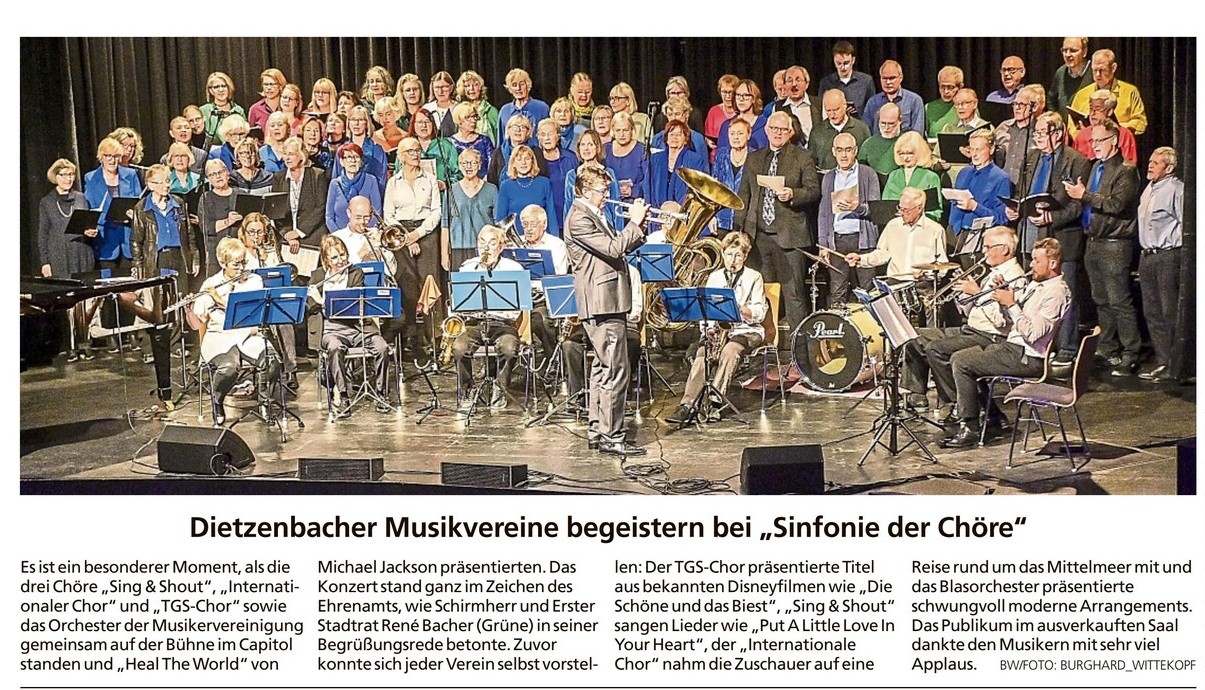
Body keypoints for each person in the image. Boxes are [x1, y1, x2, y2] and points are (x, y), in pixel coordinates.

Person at [939, 237, 1070, 448]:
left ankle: (970, 427)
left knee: (962, 362)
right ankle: (992, 416)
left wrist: (1011, 305)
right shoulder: (1038, 285)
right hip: (1014, 347)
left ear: (1053, 263)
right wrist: (1003, 298)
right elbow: (1013, 320)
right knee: (965, 356)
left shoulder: (1056, 293)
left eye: (1037, 261)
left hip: (1028, 357)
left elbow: (1033, 334)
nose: (1031, 265)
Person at [563, 166, 649, 456]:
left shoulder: (594, 214)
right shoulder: (579, 218)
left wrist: (637, 228)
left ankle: (598, 431)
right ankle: (612, 436)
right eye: (602, 191)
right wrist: (634, 223)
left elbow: (616, 250)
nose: (606, 196)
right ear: (585, 191)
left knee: (602, 368)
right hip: (602, 302)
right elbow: (613, 249)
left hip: (608, 299)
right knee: (615, 370)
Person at [906, 226, 1027, 414]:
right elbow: (971, 311)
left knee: (936, 349)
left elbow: (1001, 322)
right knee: (913, 336)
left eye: (988, 247)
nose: (984, 252)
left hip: (991, 336)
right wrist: (964, 294)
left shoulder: (1014, 276)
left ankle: (960, 403)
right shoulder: (993, 272)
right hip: (972, 329)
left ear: (1004, 249)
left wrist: (977, 293)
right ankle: (917, 394)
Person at [1006, 112, 1090, 362]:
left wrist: (1052, 217)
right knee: (1034, 293)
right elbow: (1022, 193)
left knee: (1064, 294)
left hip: (1061, 237)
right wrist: (1015, 208)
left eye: (1043, 132)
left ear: (1058, 133)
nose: (1038, 137)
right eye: (1037, 132)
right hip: (1031, 232)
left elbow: (1078, 205)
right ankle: (1038, 344)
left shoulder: (1076, 160)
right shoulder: (1032, 157)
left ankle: (1067, 349)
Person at [1064, 119, 1142, 376]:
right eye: (1092, 140)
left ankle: (1130, 353)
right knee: (1100, 299)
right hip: (1093, 241)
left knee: (1119, 300)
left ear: (1115, 141)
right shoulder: (1095, 167)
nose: (1095, 145)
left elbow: (1117, 204)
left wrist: (1084, 195)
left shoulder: (1125, 170)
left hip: (1115, 244)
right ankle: (1108, 348)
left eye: (1100, 140)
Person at [666, 231, 767, 425]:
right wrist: (709, 330)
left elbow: (760, 311)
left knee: (730, 351)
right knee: (702, 354)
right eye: (729, 254)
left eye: (738, 255)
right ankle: (687, 405)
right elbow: (705, 309)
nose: (733, 260)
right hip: (719, 330)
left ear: (745, 256)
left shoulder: (754, 277)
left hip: (746, 330)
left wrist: (742, 310)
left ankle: (715, 401)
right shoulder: (715, 277)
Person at [733, 111, 820, 334]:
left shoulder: (803, 157)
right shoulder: (754, 158)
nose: (778, 133)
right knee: (761, 294)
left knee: (794, 295)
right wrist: (738, 231)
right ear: (766, 130)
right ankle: (763, 342)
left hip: (790, 237)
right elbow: (744, 196)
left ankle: (798, 345)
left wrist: (793, 194)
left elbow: (813, 190)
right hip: (758, 237)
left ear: (791, 132)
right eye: (774, 129)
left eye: (783, 129)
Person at [194, 237, 278, 426]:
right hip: (220, 338)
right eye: (236, 264)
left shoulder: (254, 281)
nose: (241, 268)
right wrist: (190, 310)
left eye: (243, 263)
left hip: (249, 336)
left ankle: (265, 403)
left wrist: (220, 300)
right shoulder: (211, 284)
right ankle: (217, 401)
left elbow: (249, 313)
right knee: (229, 369)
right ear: (222, 263)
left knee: (272, 362)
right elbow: (197, 320)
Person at [308, 235, 391, 416]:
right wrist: (313, 298)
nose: (340, 260)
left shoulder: (355, 273)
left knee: (382, 347)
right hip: (331, 330)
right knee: (335, 348)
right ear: (326, 260)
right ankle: (344, 395)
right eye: (334, 258)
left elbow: (350, 306)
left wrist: (321, 300)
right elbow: (311, 307)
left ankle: (381, 392)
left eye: (342, 255)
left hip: (357, 327)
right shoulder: (317, 277)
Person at [449, 225, 525, 410]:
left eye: (492, 243)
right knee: (459, 348)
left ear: (501, 246)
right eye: (482, 242)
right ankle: (467, 390)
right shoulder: (468, 267)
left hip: (503, 323)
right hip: (475, 323)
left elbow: (519, 307)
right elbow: (458, 302)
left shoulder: (513, 268)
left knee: (509, 349)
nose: (486, 248)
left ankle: (500, 388)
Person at [846, 186, 947, 325]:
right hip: (894, 282)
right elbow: (882, 253)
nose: (902, 213)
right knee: (871, 300)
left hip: (920, 284)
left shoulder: (935, 230)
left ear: (920, 208)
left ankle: (930, 336)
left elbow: (942, 266)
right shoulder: (893, 225)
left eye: (906, 210)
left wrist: (926, 273)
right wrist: (861, 259)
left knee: (933, 304)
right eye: (900, 208)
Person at [384, 137, 442, 352]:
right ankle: (409, 335)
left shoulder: (430, 179)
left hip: (425, 232)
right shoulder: (393, 182)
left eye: (417, 150)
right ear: (401, 156)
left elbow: (436, 211)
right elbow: (388, 214)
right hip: (401, 233)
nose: (416, 154)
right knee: (406, 283)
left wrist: (418, 234)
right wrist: (406, 237)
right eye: (410, 151)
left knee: (430, 282)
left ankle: (433, 336)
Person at [38, 159, 97, 361]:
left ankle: (84, 342)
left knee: (84, 300)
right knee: (66, 301)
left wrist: (91, 231)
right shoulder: (47, 202)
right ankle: (70, 345)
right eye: (63, 175)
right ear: (55, 177)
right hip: (59, 256)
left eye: (71, 174)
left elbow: (87, 224)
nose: (68, 179)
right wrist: (45, 262)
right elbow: (42, 234)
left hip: (81, 252)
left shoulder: (81, 198)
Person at [1135, 146, 1183, 383]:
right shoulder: (1149, 188)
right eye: (1150, 161)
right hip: (1147, 256)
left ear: (1169, 167)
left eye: (1156, 163)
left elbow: (1187, 224)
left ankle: (1178, 365)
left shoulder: (1176, 190)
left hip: (1167, 256)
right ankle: (1164, 362)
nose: (1150, 165)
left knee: (1169, 311)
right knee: (1152, 312)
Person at [818, 133, 881, 305]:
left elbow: (876, 209)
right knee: (837, 291)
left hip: (863, 240)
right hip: (837, 241)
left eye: (848, 150)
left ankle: (870, 322)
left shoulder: (868, 174)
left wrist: (857, 207)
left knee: (868, 291)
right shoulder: (829, 177)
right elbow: (823, 214)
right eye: (839, 150)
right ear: (833, 152)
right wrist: (824, 244)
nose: (844, 155)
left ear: (855, 151)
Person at [239, 212, 298, 392]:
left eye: (260, 232)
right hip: (249, 304)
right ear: (244, 232)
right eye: (251, 232)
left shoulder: (271, 253)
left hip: (270, 301)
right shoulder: (239, 253)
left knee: (284, 320)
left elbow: (280, 277)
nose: (256, 236)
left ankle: (291, 369)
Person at [131, 164, 200, 290]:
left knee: (181, 294)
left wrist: (194, 259)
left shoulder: (178, 203)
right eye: (161, 182)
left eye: (168, 181)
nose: (166, 185)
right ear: (150, 185)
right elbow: (136, 240)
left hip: (180, 256)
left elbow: (189, 234)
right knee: (160, 296)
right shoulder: (141, 208)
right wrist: (138, 266)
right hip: (158, 259)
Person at [515, 203, 569, 363]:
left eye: (532, 224)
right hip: (519, 300)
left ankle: (553, 363)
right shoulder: (516, 244)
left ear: (544, 224)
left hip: (544, 300)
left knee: (544, 322)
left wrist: (531, 285)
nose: (528, 229)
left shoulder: (556, 245)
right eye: (525, 225)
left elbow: (558, 277)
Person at [948, 129, 1011, 261]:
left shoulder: (1001, 178)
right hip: (954, 233)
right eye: (972, 149)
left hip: (978, 238)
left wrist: (975, 207)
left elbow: (1002, 219)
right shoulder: (963, 173)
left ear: (991, 149)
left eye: (979, 149)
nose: (974, 154)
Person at [83, 137, 142, 276]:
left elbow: (139, 204)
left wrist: (133, 214)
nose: (112, 160)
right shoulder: (91, 178)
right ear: (101, 157)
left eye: (115, 156)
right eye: (108, 156)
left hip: (128, 240)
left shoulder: (131, 175)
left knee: (130, 284)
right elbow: (89, 208)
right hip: (105, 242)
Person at [1068, 49, 1147, 136]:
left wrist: (1115, 128)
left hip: (1120, 141)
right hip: (1088, 142)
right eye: (1094, 70)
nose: (1098, 74)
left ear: (1113, 68)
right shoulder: (1082, 94)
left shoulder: (1129, 92)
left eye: (1102, 70)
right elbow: (1071, 127)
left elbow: (1141, 123)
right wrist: (1085, 135)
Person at [270, 137, 330, 252]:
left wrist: (299, 232)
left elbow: (320, 208)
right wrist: (287, 234)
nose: (287, 158)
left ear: (301, 155)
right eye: (285, 154)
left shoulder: (318, 175)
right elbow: (276, 211)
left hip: (312, 236)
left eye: (291, 154)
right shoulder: (279, 177)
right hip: (287, 238)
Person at [444, 148, 498, 272]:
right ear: (459, 165)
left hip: (485, 249)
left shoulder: (492, 189)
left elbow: (497, 224)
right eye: (464, 163)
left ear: (479, 165)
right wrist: (444, 254)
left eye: (473, 163)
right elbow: (445, 225)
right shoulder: (451, 190)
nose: (468, 166)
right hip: (457, 248)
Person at [495, 145, 558, 238]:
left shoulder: (544, 183)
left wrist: (555, 239)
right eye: (519, 159)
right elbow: (501, 219)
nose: (523, 163)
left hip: (541, 238)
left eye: (527, 159)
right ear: (513, 163)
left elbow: (551, 215)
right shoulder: (506, 186)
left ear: (532, 162)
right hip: (515, 239)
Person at [881, 131, 943, 223]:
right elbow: (884, 207)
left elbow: (936, 212)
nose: (906, 158)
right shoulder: (894, 175)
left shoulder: (930, 177)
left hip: (921, 226)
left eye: (910, 153)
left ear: (920, 153)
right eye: (902, 154)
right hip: (896, 225)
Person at [562, 132, 620, 229]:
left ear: (597, 147)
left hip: (605, 226)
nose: (586, 148)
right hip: (580, 226)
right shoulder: (571, 175)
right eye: (583, 144)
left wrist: (619, 231)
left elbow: (616, 204)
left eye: (590, 144)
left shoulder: (608, 173)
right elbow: (568, 205)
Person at [992, 84, 1046, 187]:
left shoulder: (1040, 131)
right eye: (1015, 104)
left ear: (1034, 107)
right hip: (1001, 186)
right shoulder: (1003, 127)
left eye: (1021, 104)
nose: (1017, 108)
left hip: (1026, 187)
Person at [649, 120, 709, 209]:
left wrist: (679, 208)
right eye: (671, 134)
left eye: (679, 134)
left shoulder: (695, 160)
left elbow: (696, 190)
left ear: (686, 140)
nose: (675, 137)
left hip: (682, 210)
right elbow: (649, 186)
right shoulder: (655, 158)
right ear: (666, 139)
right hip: (657, 210)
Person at [808, 89, 871, 171]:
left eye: (836, 110)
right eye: (828, 110)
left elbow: (868, 160)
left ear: (845, 105)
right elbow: (811, 162)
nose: (832, 115)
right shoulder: (817, 132)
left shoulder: (861, 129)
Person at [326, 143, 383, 233]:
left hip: (364, 235)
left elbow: (377, 213)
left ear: (361, 162)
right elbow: (329, 217)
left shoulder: (371, 180)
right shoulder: (335, 184)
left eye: (356, 157)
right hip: (339, 236)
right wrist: (339, 235)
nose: (353, 161)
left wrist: (365, 233)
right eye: (348, 157)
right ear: (341, 162)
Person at [1070, 89, 1139, 164]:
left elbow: (1129, 165)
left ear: (1109, 112)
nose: (1092, 113)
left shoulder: (1124, 135)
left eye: (1097, 109)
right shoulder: (1082, 135)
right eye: (1091, 109)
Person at [196, 159, 241, 272]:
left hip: (239, 251)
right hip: (215, 254)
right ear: (209, 179)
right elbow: (206, 227)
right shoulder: (206, 198)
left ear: (227, 173)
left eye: (220, 172)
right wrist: (228, 221)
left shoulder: (240, 194)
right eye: (212, 174)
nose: (217, 176)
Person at [711, 118, 752, 234]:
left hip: (746, 221)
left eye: (740, 133)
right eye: (732, 134)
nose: (735, 137)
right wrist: (711, 216)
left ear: (749, 135)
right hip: (722, 219)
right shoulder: (721, 155)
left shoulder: (755, 157)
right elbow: (713, 188)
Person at [863, 60, 925, 136]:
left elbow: (917, 134)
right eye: (884, 78)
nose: (888, 82)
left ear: (901, 78)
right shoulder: (873, 102)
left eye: (892, 78)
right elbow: (866, 131)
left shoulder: (914, 101)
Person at [818, 41, 876, 119]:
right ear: (834, 61)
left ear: (853, 60)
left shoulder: (866, 81)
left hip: (859, 124)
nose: (843, 67)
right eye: (839, 63)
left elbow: (872, 110)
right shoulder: (826, 82)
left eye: (846, 63)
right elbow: (821, 110)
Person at [536, 118, 578, 224]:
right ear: (538, 137)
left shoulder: (570, 158)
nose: (547, 138)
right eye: (543, 134)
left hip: (567, 214)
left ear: (558, 136)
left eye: (550, 134)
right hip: (543, 217)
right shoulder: (534, 159)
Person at [498, 68, 549, 146]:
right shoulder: (505, 111)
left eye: (521, 84)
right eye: (514, 85)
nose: (518, 88)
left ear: (527, 86)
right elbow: (501, 141)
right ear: (510, 89)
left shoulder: (541, 108)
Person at [605, 112, 647, 205]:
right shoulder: (605, 149)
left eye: (625, 130)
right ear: (613, 131)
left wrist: (633, 190)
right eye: (618, 130)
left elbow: (648, 179)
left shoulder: (642, 150)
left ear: (632, 130)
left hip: (635, 202)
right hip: (610, 201)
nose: (622, 134)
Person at [716, 78, 768, 152]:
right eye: (738, 95)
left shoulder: (766, 125)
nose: (741, 99)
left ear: (753, 99)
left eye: (746, 95)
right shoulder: (727, 125)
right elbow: (721, 153)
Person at [487, 114, 540, 186]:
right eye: (515, 127)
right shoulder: (498, 152)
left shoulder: (536, 151)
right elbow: (491, 180)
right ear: (508, 130)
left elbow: (541, 177)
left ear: (528, 132)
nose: (518, 130)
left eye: (522, 127)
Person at [1048, 37, 1093, 118]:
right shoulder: (1061, 72)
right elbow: (1051, 101)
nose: (1067, 55)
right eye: (1065, 50)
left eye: (1073, 50)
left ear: (1084, 52)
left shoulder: (1094, 72)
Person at [777, 65, 820, 145]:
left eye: (798, 80)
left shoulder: (819, 104)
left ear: (807, 84)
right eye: (789, 81)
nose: (794, 84)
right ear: (784, 85)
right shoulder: (778, 107)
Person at [449, 101, 494, 177]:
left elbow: (492, 166)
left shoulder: (484, 140)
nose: (473, 121)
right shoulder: (450, 143)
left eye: (474, 116)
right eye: (468, 117)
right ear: (459, 121)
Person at [858, 102, 902, 178]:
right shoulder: (869, 144)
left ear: (900, 121)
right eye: (883, 123)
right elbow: (862, 172)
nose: (886, 128)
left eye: (891, 124)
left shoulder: (907, 142)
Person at [456, 70, 500, 145]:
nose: (471, 88)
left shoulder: (491, 111)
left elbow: (499, 138)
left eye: (475, 85)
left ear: (480, 88)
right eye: (467, 86)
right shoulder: (458, 111)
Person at [704, 74, 739, 157]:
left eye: (731, 92)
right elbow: (707, 137)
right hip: (717, 156)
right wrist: (708, 142)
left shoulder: (742, 111)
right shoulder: (713, 111)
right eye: (724, 92)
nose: (728, 96)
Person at [607, 82, 652, 146]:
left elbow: (650, 143)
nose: (612, 102)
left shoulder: (643, 119)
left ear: (628, 100)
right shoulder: (610, 119)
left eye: (617, 98)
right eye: (611, 98)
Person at [925, 66, 964, 139]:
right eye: (942, 87)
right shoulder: (929, 107)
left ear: (960, 87)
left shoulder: (967, 106)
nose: (946, 91)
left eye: (950, 87)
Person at [247, 68, 286, 133]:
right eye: (266, 84)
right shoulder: (255, 109)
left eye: (272, 84)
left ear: (280, 86)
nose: (268, 88)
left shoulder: (287, 106)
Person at [424, 71, 458, 138]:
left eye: (444, 87)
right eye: (437, 87)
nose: (440, 91)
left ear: (451, 88)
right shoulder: (427, 108)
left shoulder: (458, 108)